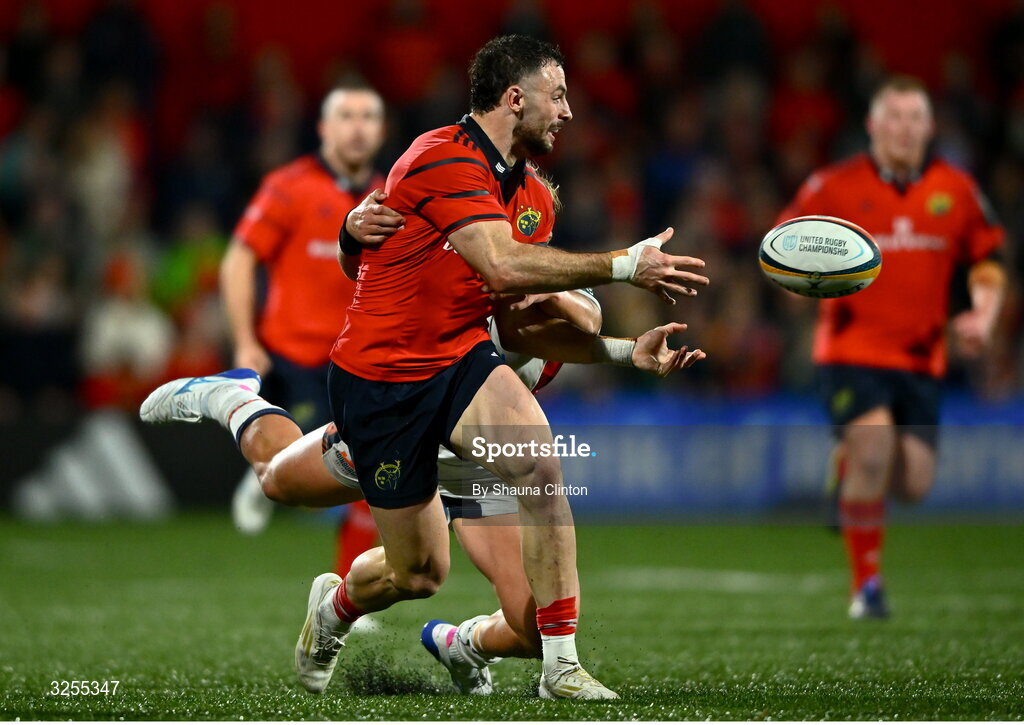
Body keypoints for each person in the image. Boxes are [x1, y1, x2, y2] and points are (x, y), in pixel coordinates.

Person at [144, 34, 709, 700]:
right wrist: (621, 266)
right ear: (514, 97)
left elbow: (517, 310)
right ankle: (238, 408)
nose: (569, 112)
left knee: (539, 466)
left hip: (461, 367)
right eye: (558, 95)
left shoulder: (535, 201)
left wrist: (620, 348)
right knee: (398, 560)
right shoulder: (440, 155)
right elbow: (475, 263)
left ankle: (557, 665)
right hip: (383, 379)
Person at [777, 76, 1007, 619]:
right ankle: (868, 589)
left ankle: (845, 465)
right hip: (849, 350)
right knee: (874, 447)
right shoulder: (832, 186)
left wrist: (984, 314)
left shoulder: (957, 190)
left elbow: (988, 260)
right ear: (873, 126)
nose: (905, 128)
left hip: (923, 358)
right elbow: (784, 246)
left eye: (915, 117)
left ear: (929, 127)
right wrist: (797, 285)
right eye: (894, 117)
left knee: (914, 485)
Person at [220, 82, 384, 571]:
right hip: (294, 358)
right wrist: (245, 340)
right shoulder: (288, 187)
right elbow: (237, 261)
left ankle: (345, 590)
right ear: (324, 128)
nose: (358, 128)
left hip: (358, 358)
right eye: (347, 116)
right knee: (338, 469)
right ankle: (271, 470)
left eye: (368, 117)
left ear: (381, 130)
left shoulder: (391, 195)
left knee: (369, 470)